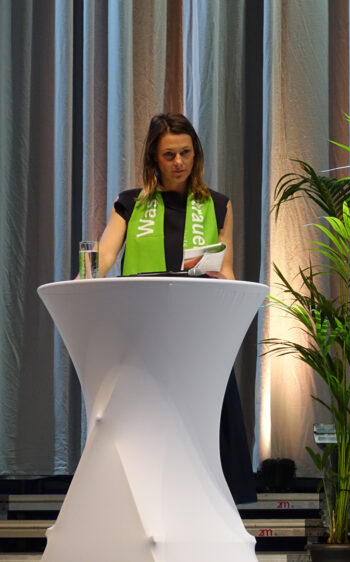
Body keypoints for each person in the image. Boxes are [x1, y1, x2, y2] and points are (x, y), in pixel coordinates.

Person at [94, 113, 257, 504]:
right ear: (154, 157)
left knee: (201, 432)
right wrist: (85, 275)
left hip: (197, 335)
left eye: (185, 152)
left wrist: (231, 310)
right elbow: (101, 259)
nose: (179, 162)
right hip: (143, 334)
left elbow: (226, 271)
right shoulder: (130, 204)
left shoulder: (217, 205)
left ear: (196, 154)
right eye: (169, 154)